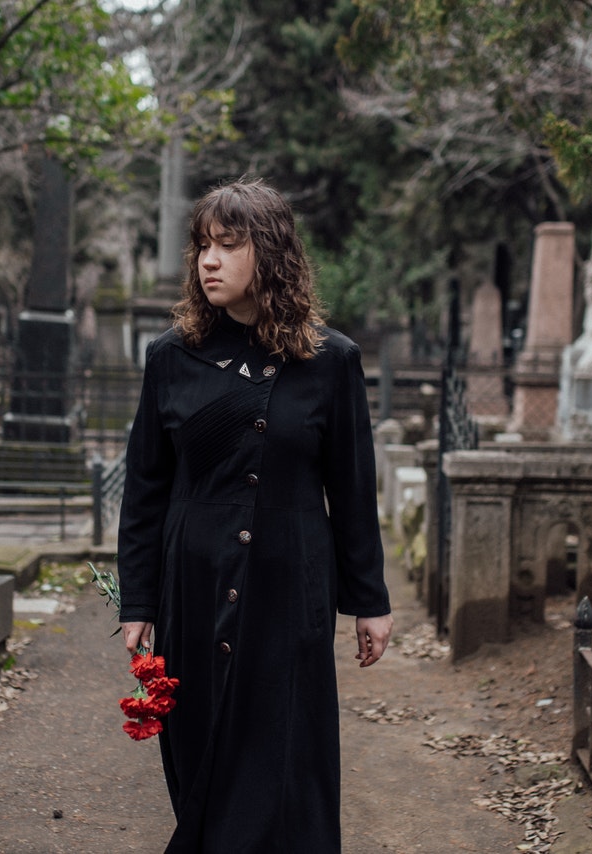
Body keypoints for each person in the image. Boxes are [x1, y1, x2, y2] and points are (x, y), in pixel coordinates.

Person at [117, 177, 394, 853]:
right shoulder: (170, 360)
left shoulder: (331, 362)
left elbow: (353, 490)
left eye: (228, 245)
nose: (209, 260)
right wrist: (138, 600)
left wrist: (370, 602)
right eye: (203, 245)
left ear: (268, 255)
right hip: (194, 585)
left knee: (286, 756)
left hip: (288, 586)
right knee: (202, 750)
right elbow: (145, 489)